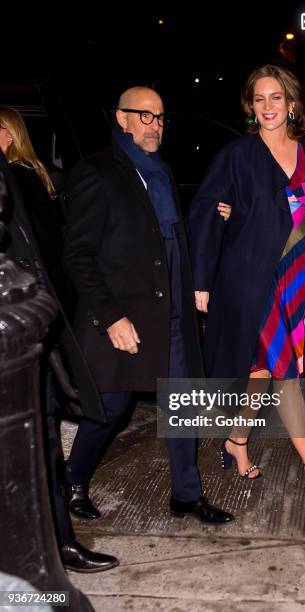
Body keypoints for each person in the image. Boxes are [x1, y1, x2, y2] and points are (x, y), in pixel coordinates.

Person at [62, 86, 234, 524]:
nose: (154, 125)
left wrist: (196, 278)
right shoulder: (96, 173)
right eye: (144, 116)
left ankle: (185, 495)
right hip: (123, 317)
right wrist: (111, 317)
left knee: (181, 405)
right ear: (121, 119)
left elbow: (172, 241)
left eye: (159, 117)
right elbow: (77, 255)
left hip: (170, 314)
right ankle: (72, 482)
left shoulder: (160, 172)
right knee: (111, 410)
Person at [188, 65, 305, 512]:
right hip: (251, 281)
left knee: (262, 373)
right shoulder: (237, 155)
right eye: (259, 99)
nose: (268, 107)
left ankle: (236, 441)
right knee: (287, 376)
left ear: (292, 103)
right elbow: (204, 209)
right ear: (250, 106)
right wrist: (201, 279)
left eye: (276, 98)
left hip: (300, 277)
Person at [0, 107, 119, 572]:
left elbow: (51, 255)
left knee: (42, 437)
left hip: (31, 327)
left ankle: (58, 543)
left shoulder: (28, 180)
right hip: (29, 325)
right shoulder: (33, 179)